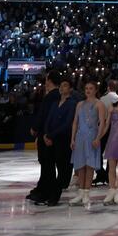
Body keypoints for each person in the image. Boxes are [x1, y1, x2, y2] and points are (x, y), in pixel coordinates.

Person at [37, 76, 76, 206]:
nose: (61, 88)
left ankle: (55, 195)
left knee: (62, 168)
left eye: (65, 85)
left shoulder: (72, 104)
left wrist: (51, 135)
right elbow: (48, 119)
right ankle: (48, 193)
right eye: (61, 85)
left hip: (62, 140)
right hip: (50, 139)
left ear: (70, 89)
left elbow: (67, 123)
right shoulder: (55, 103)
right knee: (49, 166)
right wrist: (46, 134)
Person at [69, 80, 108, 207]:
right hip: (80, 136)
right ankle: (80, 192)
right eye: (86, 88)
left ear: (95, 90)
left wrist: (98, 138)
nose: (88, 90)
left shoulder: (99, 104)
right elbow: (75, 121)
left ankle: (86, 192)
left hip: (92, 136)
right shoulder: (79, 104)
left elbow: (102, 122)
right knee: (80, 164)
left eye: (91, 88)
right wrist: (72, 138)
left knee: (89, 164)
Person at [27, 73, 60, 203]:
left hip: (46, 134)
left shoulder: (51, 96)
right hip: (49, 133)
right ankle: (43, 188)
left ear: (49, 81)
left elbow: (43, 115)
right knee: (47, 163)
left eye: (46, 79)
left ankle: (46, 190)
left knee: (47, 163)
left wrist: (36, 129)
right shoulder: (56, 96)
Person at [93, 79, 118, 187]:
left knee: (98, 151)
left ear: (108, 87)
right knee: (112, 153)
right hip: (116, 128)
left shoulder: (103, 99)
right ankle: (109, 175)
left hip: (104, 126)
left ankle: (101, 173)